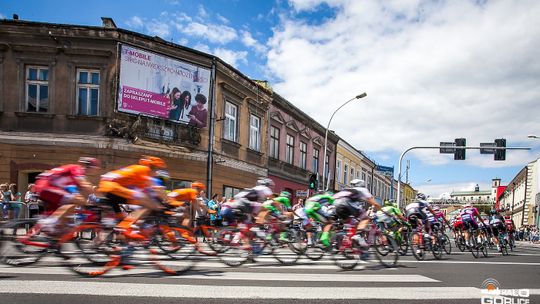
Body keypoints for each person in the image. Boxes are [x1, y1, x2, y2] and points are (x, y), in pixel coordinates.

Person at [98, 156, 166, 239]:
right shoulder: (144, 169)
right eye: (157, 170)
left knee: (120, 219)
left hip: (106, 187)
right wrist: (161, 206)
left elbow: (145, 191)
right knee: (147, 205)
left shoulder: (136, 169)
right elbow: (156, 189)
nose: (156, 174)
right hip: (113, 188)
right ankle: (126, 227)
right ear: (153, 167)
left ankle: (102, 242)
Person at [34, 157, 101, 235]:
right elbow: (85, 186)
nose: (96, 171)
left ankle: (52, 242)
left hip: (49, 188)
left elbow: (75, 191)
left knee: (61, 226)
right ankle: (49, 223)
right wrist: (100, 199)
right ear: (89, 167)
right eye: (95, 168)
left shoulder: (74, 176)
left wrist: (89, 201)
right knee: (74, 201)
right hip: (46, 185)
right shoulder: (77, 169)